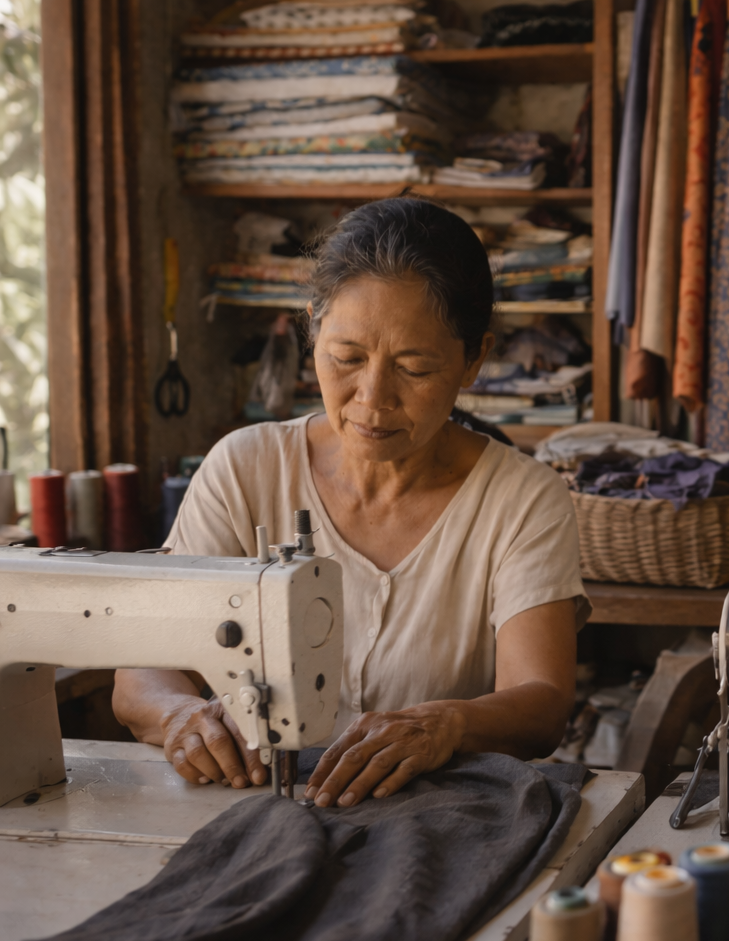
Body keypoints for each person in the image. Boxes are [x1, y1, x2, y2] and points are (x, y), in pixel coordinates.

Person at [114, 198, 588, 809]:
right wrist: (179, 716)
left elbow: (542, 701)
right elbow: (140, 672)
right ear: (313, 327)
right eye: (347, 359)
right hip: (247, 802)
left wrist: (444, 725)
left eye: (414, 368)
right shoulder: (244, 468)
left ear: (475, 359)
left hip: (431, 815)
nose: (372, 398)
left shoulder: (523, 500)